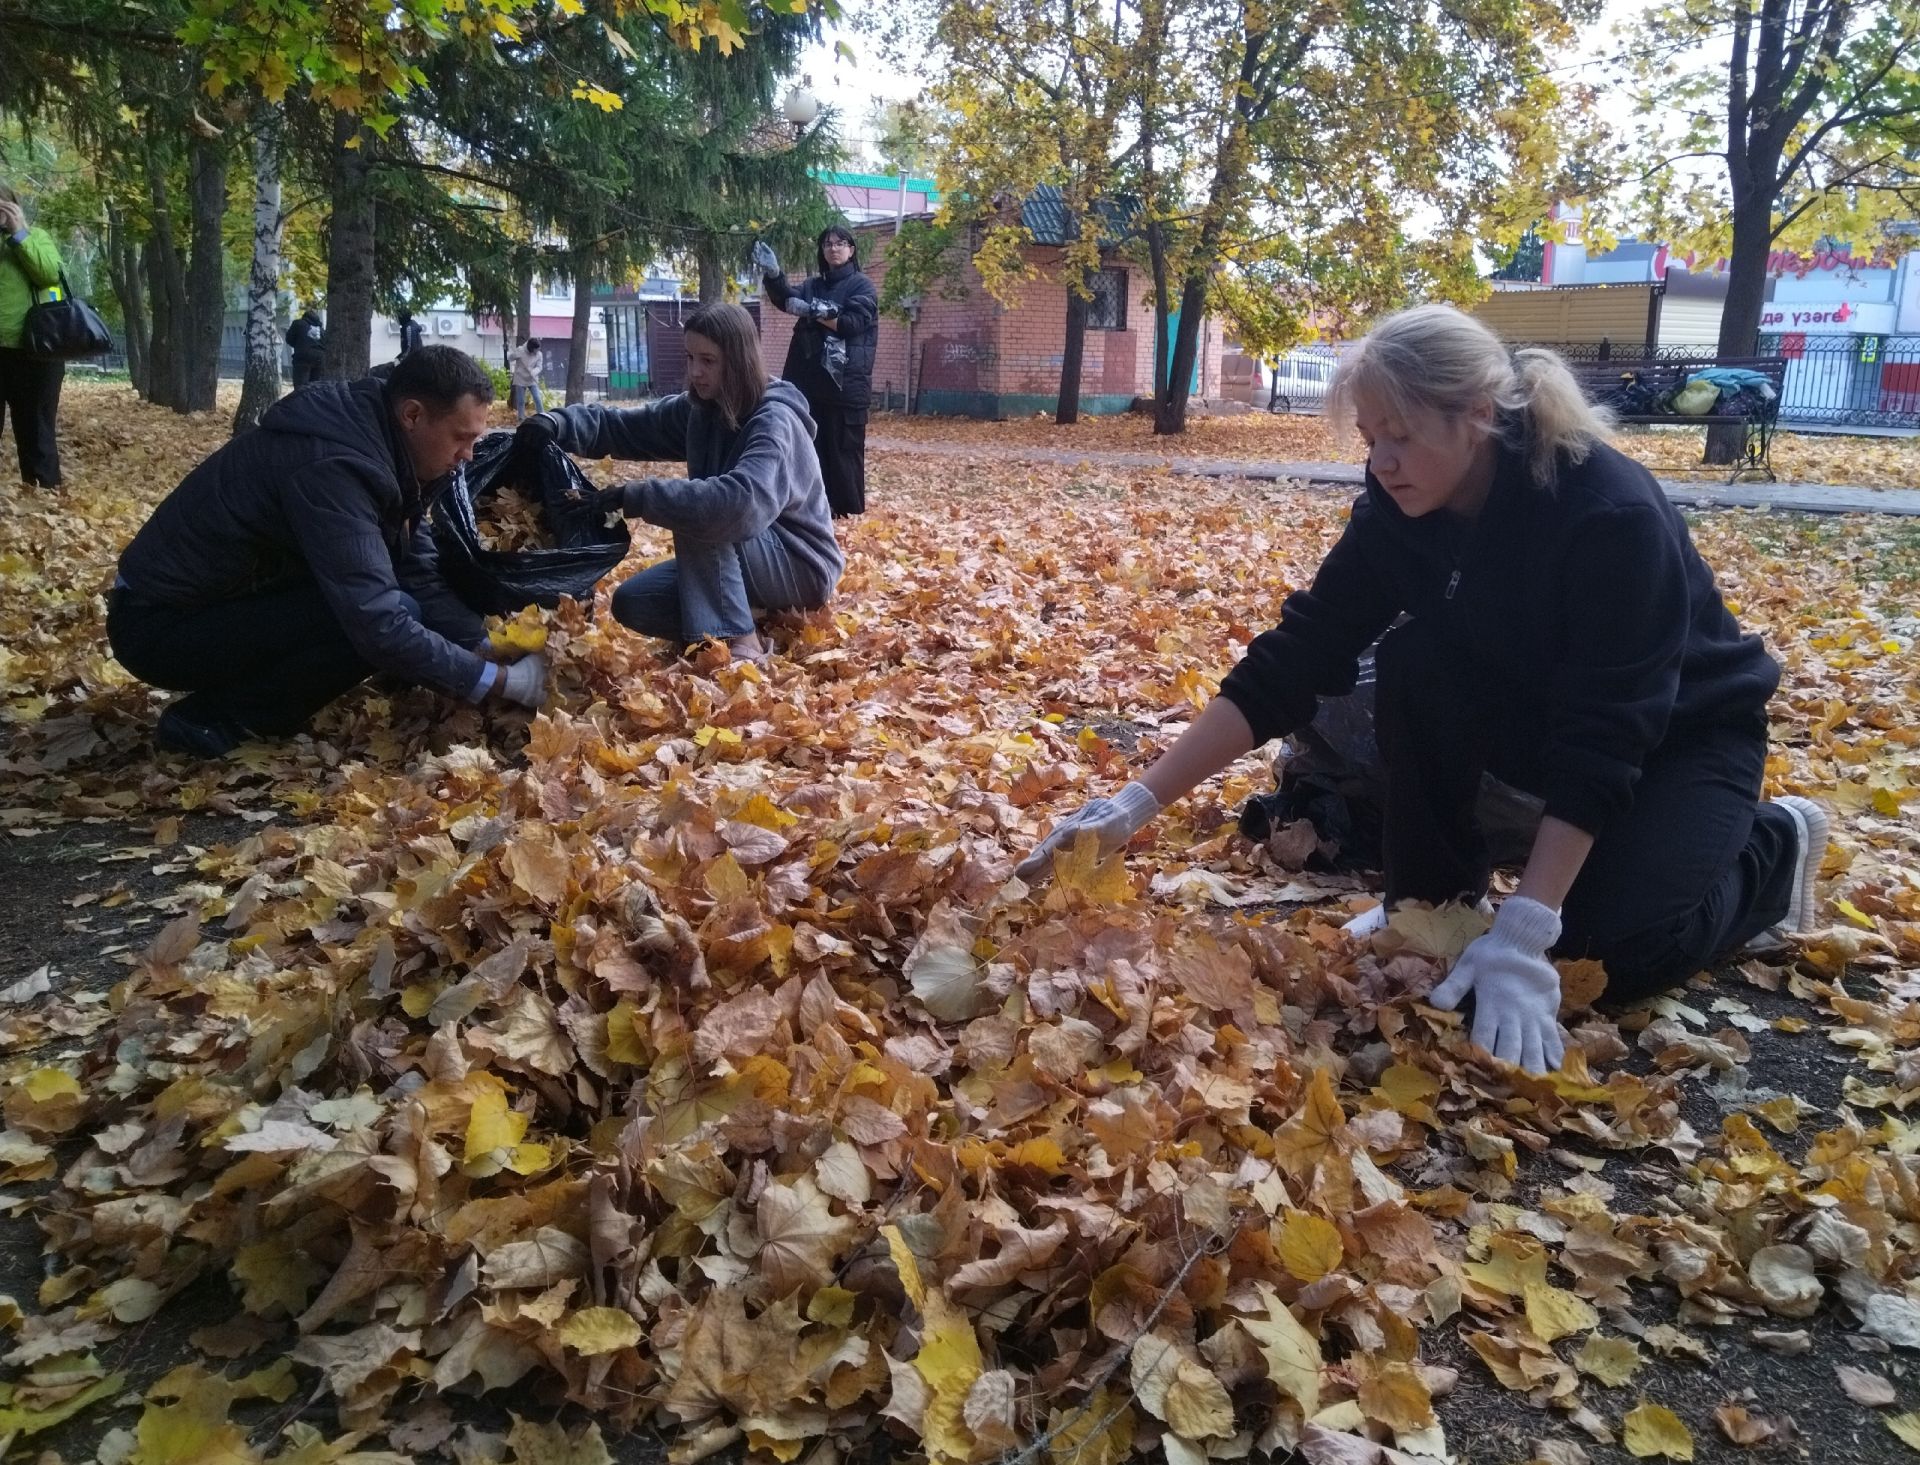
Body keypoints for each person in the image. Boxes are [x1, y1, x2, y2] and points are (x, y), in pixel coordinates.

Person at [1017, 304, 1829, 1076]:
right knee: (1417, 658)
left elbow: (1609, 732)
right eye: (1370, 439)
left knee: (1608, 958)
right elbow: (1296, 657)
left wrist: (1527, 927)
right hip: (1540, 718)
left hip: (1687, 736)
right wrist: (1134, 804)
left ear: (1477, 413)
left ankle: (1773, 846)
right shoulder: (1399, 507)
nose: (1381, 462)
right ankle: (1436, 895)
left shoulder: (1606, 515)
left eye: (1400, 436)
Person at [108, 345, 548, 756]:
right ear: (412, 414)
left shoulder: (385, 446)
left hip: (215, 603)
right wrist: (502, 682)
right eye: (461, 437)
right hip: (157, 626)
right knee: (374, 620)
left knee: (398, 601)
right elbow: (375, 622)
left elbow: (414, 566)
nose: (469, 455)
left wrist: (483, 645)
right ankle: (212, 720)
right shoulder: (335, 466)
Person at [510, 302, 842, 666]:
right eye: (689, 357)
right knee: (634, 602)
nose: (695, 372)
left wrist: (635, 495)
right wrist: (556, 423)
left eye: (708, 361)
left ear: (739, 360)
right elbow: (624, 427)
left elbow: (739, 506)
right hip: (749, 557)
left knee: (702, 511)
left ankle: (738, 642)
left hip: (800, 565)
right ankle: (749, 616)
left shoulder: (776, 421)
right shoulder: (701, 409)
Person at [755, 226, 877, 518]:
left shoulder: (862, 286)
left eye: (840, 243)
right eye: (827, 244)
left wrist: (812, 310)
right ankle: (815, 511)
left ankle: (847, 515)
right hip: (808, 385)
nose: (834, 248)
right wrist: (774, 275)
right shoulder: (813, 284)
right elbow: (787, 299)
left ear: (852, 249)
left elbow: (850, 324)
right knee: (808, 452)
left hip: (844, 386)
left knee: (843, 454)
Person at [0, 184, 67, 488]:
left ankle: (43, 496)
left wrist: (19, 234)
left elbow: (49, 273)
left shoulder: (35, 237)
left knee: (37, 431)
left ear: (14, 206)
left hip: (37, 352)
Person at [286, 305, 325, 389]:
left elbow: (289, 339)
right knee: (315, 389)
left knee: (300, 389)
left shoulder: (298, 323)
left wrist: (299, 345)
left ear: (304, 317)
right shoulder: (321, 330)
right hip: (320, 359)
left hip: (303, 358)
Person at [509, 338, 545, 419]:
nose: (538, 351)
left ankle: (542, 416)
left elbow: (539, 367)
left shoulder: (539, 354)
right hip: (520, 378)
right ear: (531, 348)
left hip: (532, 379)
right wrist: (514, 355)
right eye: (536, 349)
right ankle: (521, 417)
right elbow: (510, 358)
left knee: (537, 398)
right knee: (521, 401)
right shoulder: (521, 350)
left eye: (539, 349)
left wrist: (534, 372)